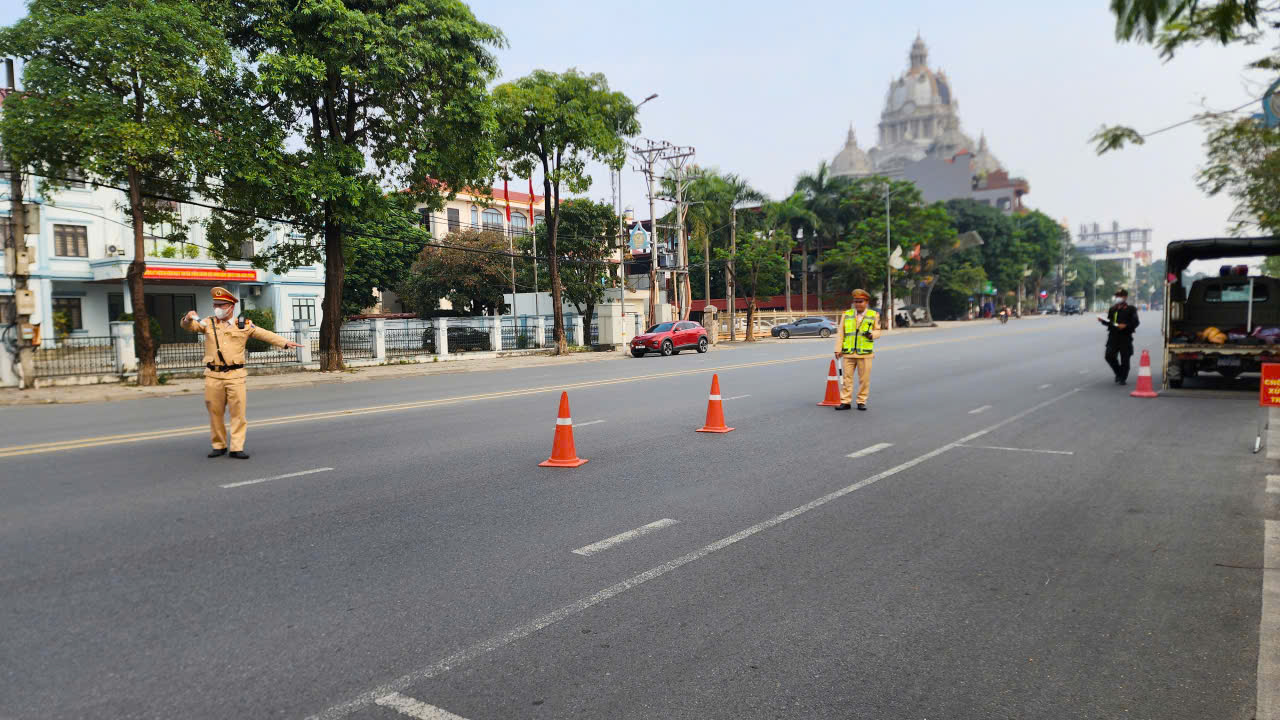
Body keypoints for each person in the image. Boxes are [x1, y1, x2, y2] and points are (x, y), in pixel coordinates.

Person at [181, 286, 302, 459]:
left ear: (231, 307)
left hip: (235, 376)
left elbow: (264, 334)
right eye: (215, 304)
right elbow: (189, 327)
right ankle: (219, 445)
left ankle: (236, 447)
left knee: (238, 413)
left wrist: (284, 342)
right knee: (215, 413)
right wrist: (187, 317)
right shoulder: (207, 323)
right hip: (213, 375)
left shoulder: (243, 325)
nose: (217, 308)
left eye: (221, 305)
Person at [834, 289, 881, 411]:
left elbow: (878, 331)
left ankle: (861, 401)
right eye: (856, 301)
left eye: (860, 301)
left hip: (865, 354)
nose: (858, 304)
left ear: (866, 302)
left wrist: (871, 334)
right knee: (846, 379)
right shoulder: (847, 314)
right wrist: (838, 349)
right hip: (848, 353)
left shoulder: (873, 315)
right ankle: (845, 401)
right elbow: (841, 333)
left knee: (864, 380)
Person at [1098, 288, 1140, 385]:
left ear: (1125, 297)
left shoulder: (1131, 309)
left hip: (1125, 337)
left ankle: (1122, 378)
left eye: (1120, 296)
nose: (1117, 298)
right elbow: (1110, 322)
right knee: (1109, 356)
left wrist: (1126, 326)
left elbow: (1136, 322)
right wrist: (1103, 321)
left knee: (1125, 359)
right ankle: (1118, 373)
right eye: (1116, 296)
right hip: (1113, 336)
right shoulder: (1113, 309)